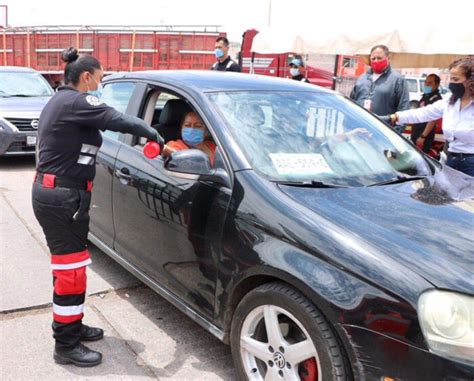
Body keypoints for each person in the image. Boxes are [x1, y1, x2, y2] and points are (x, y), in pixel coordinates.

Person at [32, 47, 161, 367]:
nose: (100, 86)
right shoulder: (77, 101)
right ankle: (66, 345)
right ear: (86, 77)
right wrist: (150, 131)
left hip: (61, 196)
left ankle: (71, 325)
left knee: (69, 270)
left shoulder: (62, 101)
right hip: (61, 198)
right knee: (70, 274)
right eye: (100, 79)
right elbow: (117, 119)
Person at [382, 58, 473, 176]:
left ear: (471, 81)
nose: (451, 83)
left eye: (455, 79)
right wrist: (393, 117)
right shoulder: (450, 102)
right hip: (451, 160)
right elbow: (422, 113)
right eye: (450, 78)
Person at [350, 45, 409, 132]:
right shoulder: (362, 78)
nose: (376, 61)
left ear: (388, 58)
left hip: (382, 135)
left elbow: (403, 111)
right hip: (358, 132)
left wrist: (394, 135)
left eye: (379, 58)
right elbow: (351, 103)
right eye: (373, 59)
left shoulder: (398, 80)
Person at [410, 74, 443, 153]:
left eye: (430, 83)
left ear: (437, 85)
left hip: (424, 136)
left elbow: (432, 120)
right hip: (416, 132)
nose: (426, 84)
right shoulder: (425, 96)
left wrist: (423, 136)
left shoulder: (436, 99)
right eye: (425, 82)